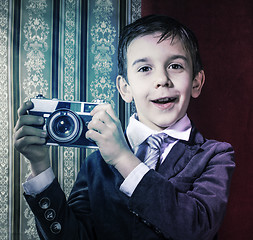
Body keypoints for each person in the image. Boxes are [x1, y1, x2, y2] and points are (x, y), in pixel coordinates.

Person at [14, 15, 235, 240]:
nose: (162, 79)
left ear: (196, 83)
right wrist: (40, 166)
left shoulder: (215, 156)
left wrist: (123, 158)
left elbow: (196, 229)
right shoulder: (96, 163)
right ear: (125, 88)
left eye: (175, 66)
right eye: (145, 68)